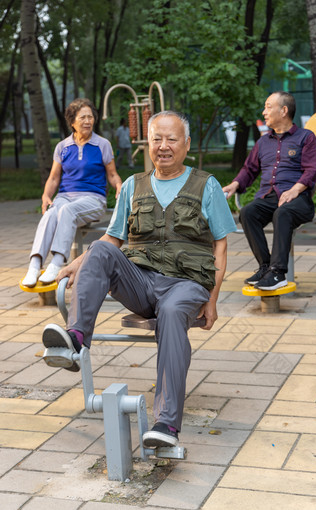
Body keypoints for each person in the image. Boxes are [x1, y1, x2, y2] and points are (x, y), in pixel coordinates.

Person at [41, 110, 237, 448]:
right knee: (99, 251)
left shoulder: (207, 185)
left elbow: (221, 246)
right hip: (141, 281)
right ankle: (75, 339)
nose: (163, 146)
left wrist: (213, 301)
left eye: (171, 139)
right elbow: (112, 239)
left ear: (186, 145)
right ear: (148, 144)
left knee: (174, 313)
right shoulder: (132, 185)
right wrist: (77, 262)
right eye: (157, 139)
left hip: (186, 283)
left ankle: (166, 424)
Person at [223, 91, 316, 290]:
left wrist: (295, 190)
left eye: (268, 106)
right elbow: (249, 169)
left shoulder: (306, 137)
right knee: (248, 213)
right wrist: (235, 184)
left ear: (283, 110)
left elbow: (312, 170)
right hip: (268, 197)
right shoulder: (262, 142)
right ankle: (265, 267)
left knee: (283, 212)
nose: (263, 112)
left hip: (298, 199)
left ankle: (277, 273)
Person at [22, 98, 122, 288]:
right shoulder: (62, 147)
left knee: (66, 211)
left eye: (90, 117)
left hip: (93, 199)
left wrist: (119, 187)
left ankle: (57, 262)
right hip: (65, 196)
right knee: (52, 212)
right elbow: (53, 178)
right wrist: (45, 196)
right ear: (72, 122)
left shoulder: (102, 144)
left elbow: (112, 174)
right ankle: (34, 265)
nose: (88, 121)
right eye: (82, 117)